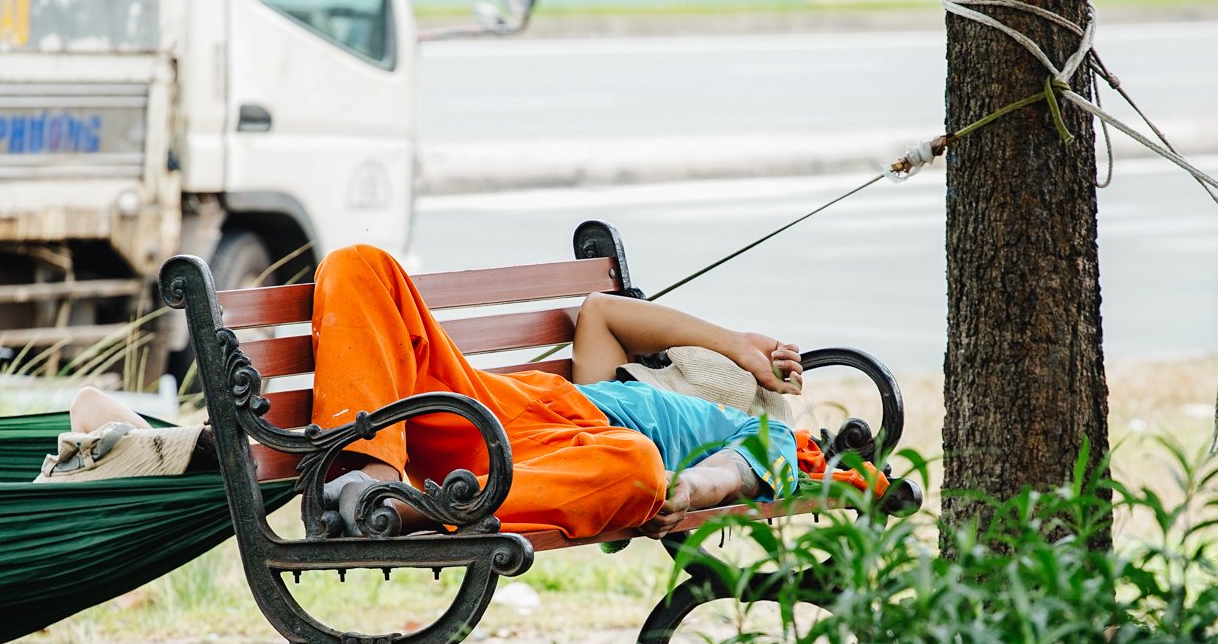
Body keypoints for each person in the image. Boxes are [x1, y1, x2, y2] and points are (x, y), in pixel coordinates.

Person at [59, 245, 801, 540]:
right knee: (361, 264)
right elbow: (603, 314)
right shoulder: (632, 381)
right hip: (508, 408)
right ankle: (377, 477)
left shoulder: (759, 429)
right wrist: (731, 341)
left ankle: (414, 500)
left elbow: (747, 463)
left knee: (636, 469)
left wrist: (696, 486)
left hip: (565, 458)